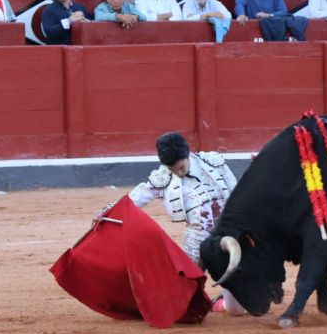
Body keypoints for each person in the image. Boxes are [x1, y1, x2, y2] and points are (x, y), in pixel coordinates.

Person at [98, 132, 247, 315]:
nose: (178, 172)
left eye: (181, 167)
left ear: (188, 154)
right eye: (173, 169)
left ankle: (223, 302)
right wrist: (108, 210)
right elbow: (136, 198)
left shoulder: (213, 163)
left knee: (236, 310)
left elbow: (239, 193)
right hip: (197, 238)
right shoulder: (163, 178)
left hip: (228, 235)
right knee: (183, 297)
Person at [235, 0, 309, 41]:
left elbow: (283, 11)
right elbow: (239, 4)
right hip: (252, 30)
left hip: (272, 27)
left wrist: (268, 15)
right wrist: (241, 14)